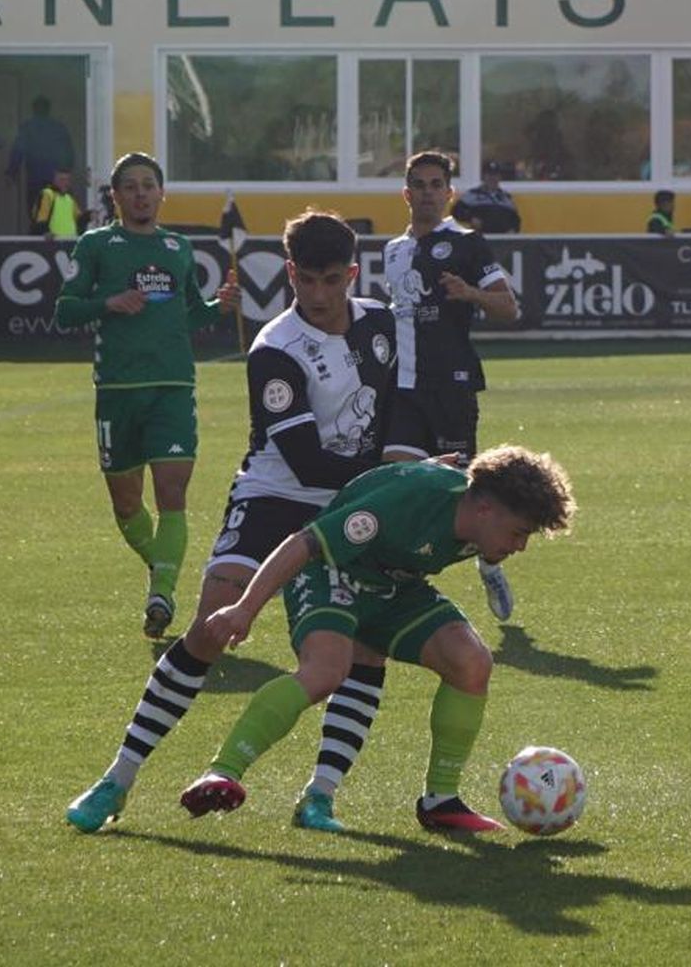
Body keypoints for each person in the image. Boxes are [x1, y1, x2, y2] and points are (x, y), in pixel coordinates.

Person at [64, 210, 391, 834]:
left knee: (361, 647)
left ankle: (320, 796)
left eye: (331, 281)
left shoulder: (381, 323)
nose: (319, 295)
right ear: (289, 273)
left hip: (351, 500)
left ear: (351, 274)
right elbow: (306, 461)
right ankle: (117, 779)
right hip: (275, 497)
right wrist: (391, 475)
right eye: (306, 281)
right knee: (211, 626)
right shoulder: (275, 347)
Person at [177, 447, 576, 833]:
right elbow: (304, 543)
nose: (520, 546)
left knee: (471, 661)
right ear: (485, 510)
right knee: (325, 671)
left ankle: (440, 802)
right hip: (332, 570)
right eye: (518, 533)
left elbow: (483, 475)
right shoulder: (410, 500)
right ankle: (222, 772)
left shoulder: (480, 507)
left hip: (393, 585)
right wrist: (244, 609)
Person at [52, 152, 241, 638]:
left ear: (162, 193)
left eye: (148, 185)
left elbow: (188, 314)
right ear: (116, 196)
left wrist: (217, 307)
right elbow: (65, 311)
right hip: (117, 390)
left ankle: (162, 592)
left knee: (172, 493)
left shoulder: (178, 247)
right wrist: (108, 303)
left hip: (173, 387)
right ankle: (162, 568)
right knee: (126, 504)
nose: (141, 194)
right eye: (131, 186)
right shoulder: (97, 245)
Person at [382, 150, 522, 626]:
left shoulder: (467, 244)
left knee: (465, 496)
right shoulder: (393, 251)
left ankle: (490, 562)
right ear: (406, 193)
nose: (427, 193)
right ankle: (400, 581)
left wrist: (471, 294)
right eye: (419, 185)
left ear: (449, 193)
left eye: (435, 184)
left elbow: (509, 307)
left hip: (451, 387)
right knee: (398, 483)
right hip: (403, 388)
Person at [6, 95, 77, 227]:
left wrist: (11, 172)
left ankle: (39, 235)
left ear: (34, 109)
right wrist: (67, 173)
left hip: (35, 177)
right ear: (48, 109)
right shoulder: (58, 128)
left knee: (37, 213)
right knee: (57, 212)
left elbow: (18, 150)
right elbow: (68, 152)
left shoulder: (28, 127)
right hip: (57, 178)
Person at [451, 161, 522, 235]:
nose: (492, 178)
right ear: (483, 176)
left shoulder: (506, 197)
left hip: (502, 238)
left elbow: (515, 220)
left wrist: (512, 230)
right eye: (489, 175)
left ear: (499, 177)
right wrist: (470, 218)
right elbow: (456, 211)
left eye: (495, 175)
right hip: (479, 237)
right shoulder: (472, 194)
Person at [31, 166, 88, 240]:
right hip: (53, 242)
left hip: (70, 240)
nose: (65, 183)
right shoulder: (48, 194)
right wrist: (45, 232)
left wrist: (89, 216)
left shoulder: (70, 198)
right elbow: (40, 218)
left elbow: (79, 219)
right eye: (61, 180)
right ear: (54, 181)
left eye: (67, 180)